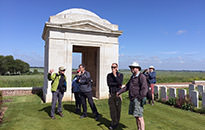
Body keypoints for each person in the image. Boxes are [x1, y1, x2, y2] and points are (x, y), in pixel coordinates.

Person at [117, 62, 148, 130]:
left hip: (138, 99)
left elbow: (144, 88)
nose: (131, 69)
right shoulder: (133, 77)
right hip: (132, 98)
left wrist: (139, 98)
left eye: (133, 68)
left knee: (140, 117)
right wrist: (119, 92)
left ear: (137, 69)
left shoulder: (141, 76)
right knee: (136, 116)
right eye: (131, 68)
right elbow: (127, 86)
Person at [107, 63, 123, 130]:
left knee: (118, 109)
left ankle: (116, 122)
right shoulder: (109, 75)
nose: (113, 68)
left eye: (114, 67)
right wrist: (116, 83)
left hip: (118, 94)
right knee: (112, 109)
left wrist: (115, 76)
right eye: (112, 67)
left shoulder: (120, 75)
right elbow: (109, 84)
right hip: (111, 94)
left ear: (117, 68)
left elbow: (120, 83)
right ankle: (113, 123)